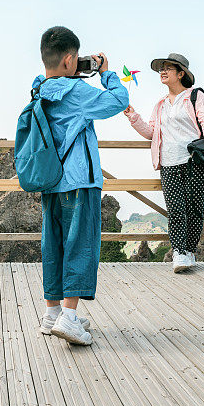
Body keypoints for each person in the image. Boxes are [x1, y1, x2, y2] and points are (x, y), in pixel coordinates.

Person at [33, 26, 128, 345]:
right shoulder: (76, 92)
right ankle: (70, 319)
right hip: (80, 181)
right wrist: (105, 71)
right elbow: (117, 101)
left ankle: (52, 313)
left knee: (54, 245)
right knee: (80, 246)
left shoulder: (40, 89)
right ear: (71, 59)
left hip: (50, 180)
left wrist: (77, 75)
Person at [123, 53, 204, 272]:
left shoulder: (195, 96)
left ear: (181, 73)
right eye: (161, 69)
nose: (163, 72)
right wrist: (133, 116)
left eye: (168, 68)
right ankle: (178, 252)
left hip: (194, 160)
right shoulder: (159, 105)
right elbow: (151, 133)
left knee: (195, 208)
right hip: (168, 163)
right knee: (175, 209)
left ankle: (189, 250)